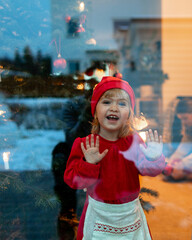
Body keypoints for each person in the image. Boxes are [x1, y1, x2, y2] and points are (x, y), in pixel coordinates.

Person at [64, 76, 165, 240]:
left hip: (130, 214)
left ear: (129, 114)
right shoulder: (85, 144)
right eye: (106, 102)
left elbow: (148, 169)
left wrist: (154, 157)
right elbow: (73, 181)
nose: (114, 108)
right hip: (99, 214)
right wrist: (89, 163)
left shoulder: (134, 142)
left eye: (122, 103)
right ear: (95, 110)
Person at [163, 98, 192, 181]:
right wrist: (171, 162)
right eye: (181, 119)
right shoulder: (189, 128)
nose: (183, 122)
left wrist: (182, 164)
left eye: (185, 118)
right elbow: (182, 150)